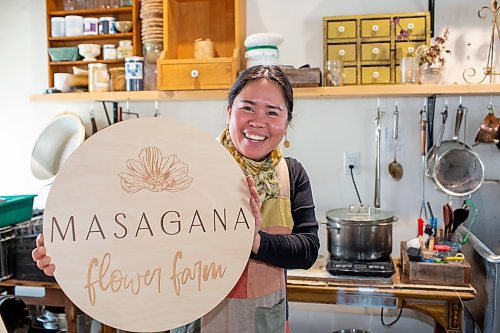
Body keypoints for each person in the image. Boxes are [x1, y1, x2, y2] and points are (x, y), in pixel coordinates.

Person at [32, 65, 320, 333]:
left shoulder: (291, 174)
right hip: (192, 319)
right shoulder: (189, 166)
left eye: (272, 112)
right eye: (248, 108)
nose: (258, 121)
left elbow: (307, 250)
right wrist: (70, 253)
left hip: (261, 320)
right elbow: (138, 234)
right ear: (229, 110)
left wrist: (254, 239)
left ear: (287, 122)